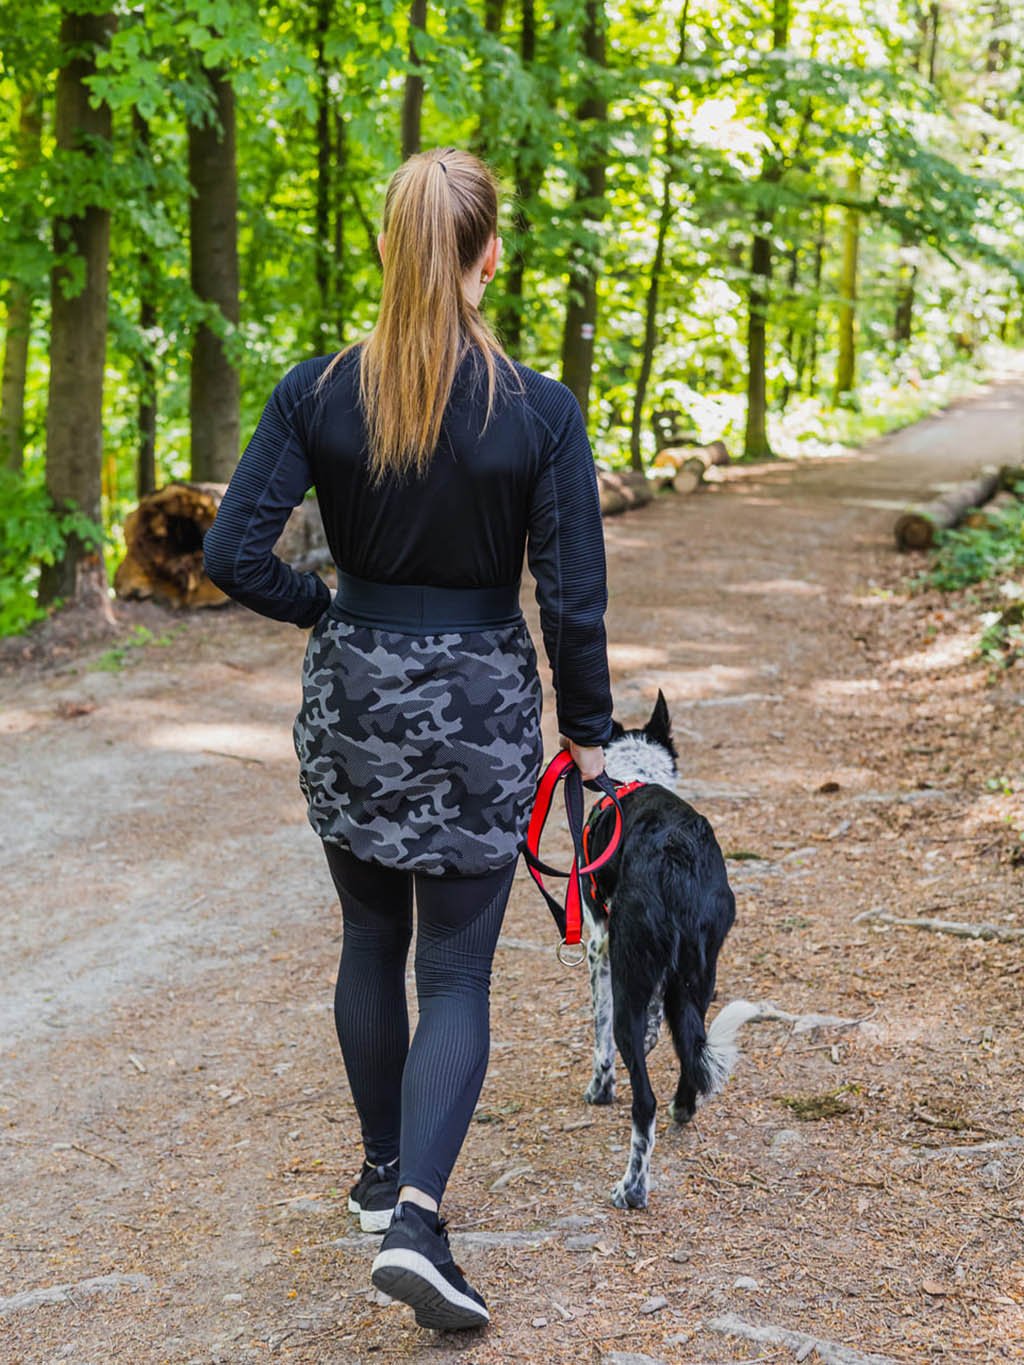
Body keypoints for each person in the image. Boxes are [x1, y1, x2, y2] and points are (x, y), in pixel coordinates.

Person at [203, 145, 614, 1333]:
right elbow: (571, 598)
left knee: (370, 937)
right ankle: (420, 1220)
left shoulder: (315, 391)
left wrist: (326, 612)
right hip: (481, 698)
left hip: (354, 693)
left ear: (389, 249)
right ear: (490, 256)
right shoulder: (538, 409)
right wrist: (587, 738)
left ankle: (383, 1177)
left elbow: (232, 555)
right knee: (454, 971)